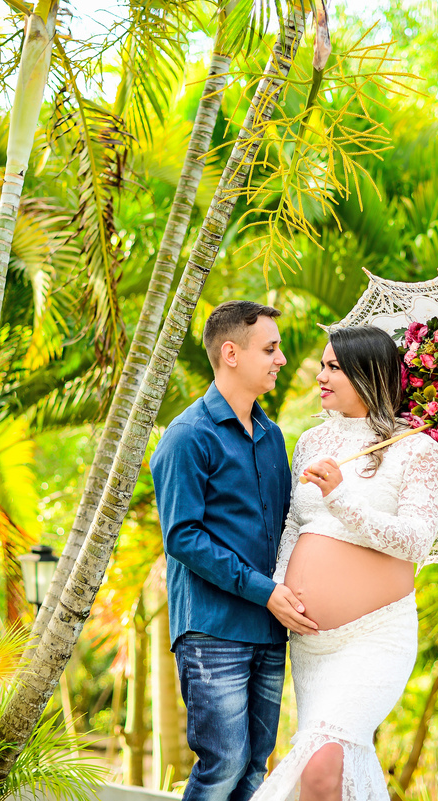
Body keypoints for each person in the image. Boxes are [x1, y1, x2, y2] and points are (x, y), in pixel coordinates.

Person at [251, 325, 438, 801]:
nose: (319, 375)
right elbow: (294, 526)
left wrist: (341, 498)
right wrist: (278, 590)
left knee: (320, 766)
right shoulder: (310, 444)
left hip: (376, 636)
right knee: (335, 773)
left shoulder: (416, 449)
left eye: (333, 367)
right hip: (312, 642)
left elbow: (416, 541)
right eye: (322, 364)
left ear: (368, 373)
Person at [151, 300, 319, 801]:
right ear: (230, 353)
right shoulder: (187, 437)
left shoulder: (272, 436)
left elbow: (285, 524)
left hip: (269, 628)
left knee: (252, 770)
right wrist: (264, 590)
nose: (281, 360)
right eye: (270, 349)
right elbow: (182, 537)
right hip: (213, 628)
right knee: (222, 766)